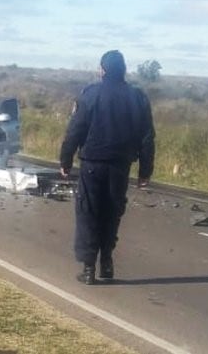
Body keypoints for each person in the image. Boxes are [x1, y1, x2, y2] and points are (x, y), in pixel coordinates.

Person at [59, 50, 155, 285]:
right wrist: (145, 171)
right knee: (112, 214)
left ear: (103, 70)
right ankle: (107, 263)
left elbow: (75, 130)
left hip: (92, 163)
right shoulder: (137, 97)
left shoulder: (91, 94)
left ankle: (89, 268)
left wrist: (66, 160)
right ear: (123, 70)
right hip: (120, 167)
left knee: (89, 213)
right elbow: (147, 137)